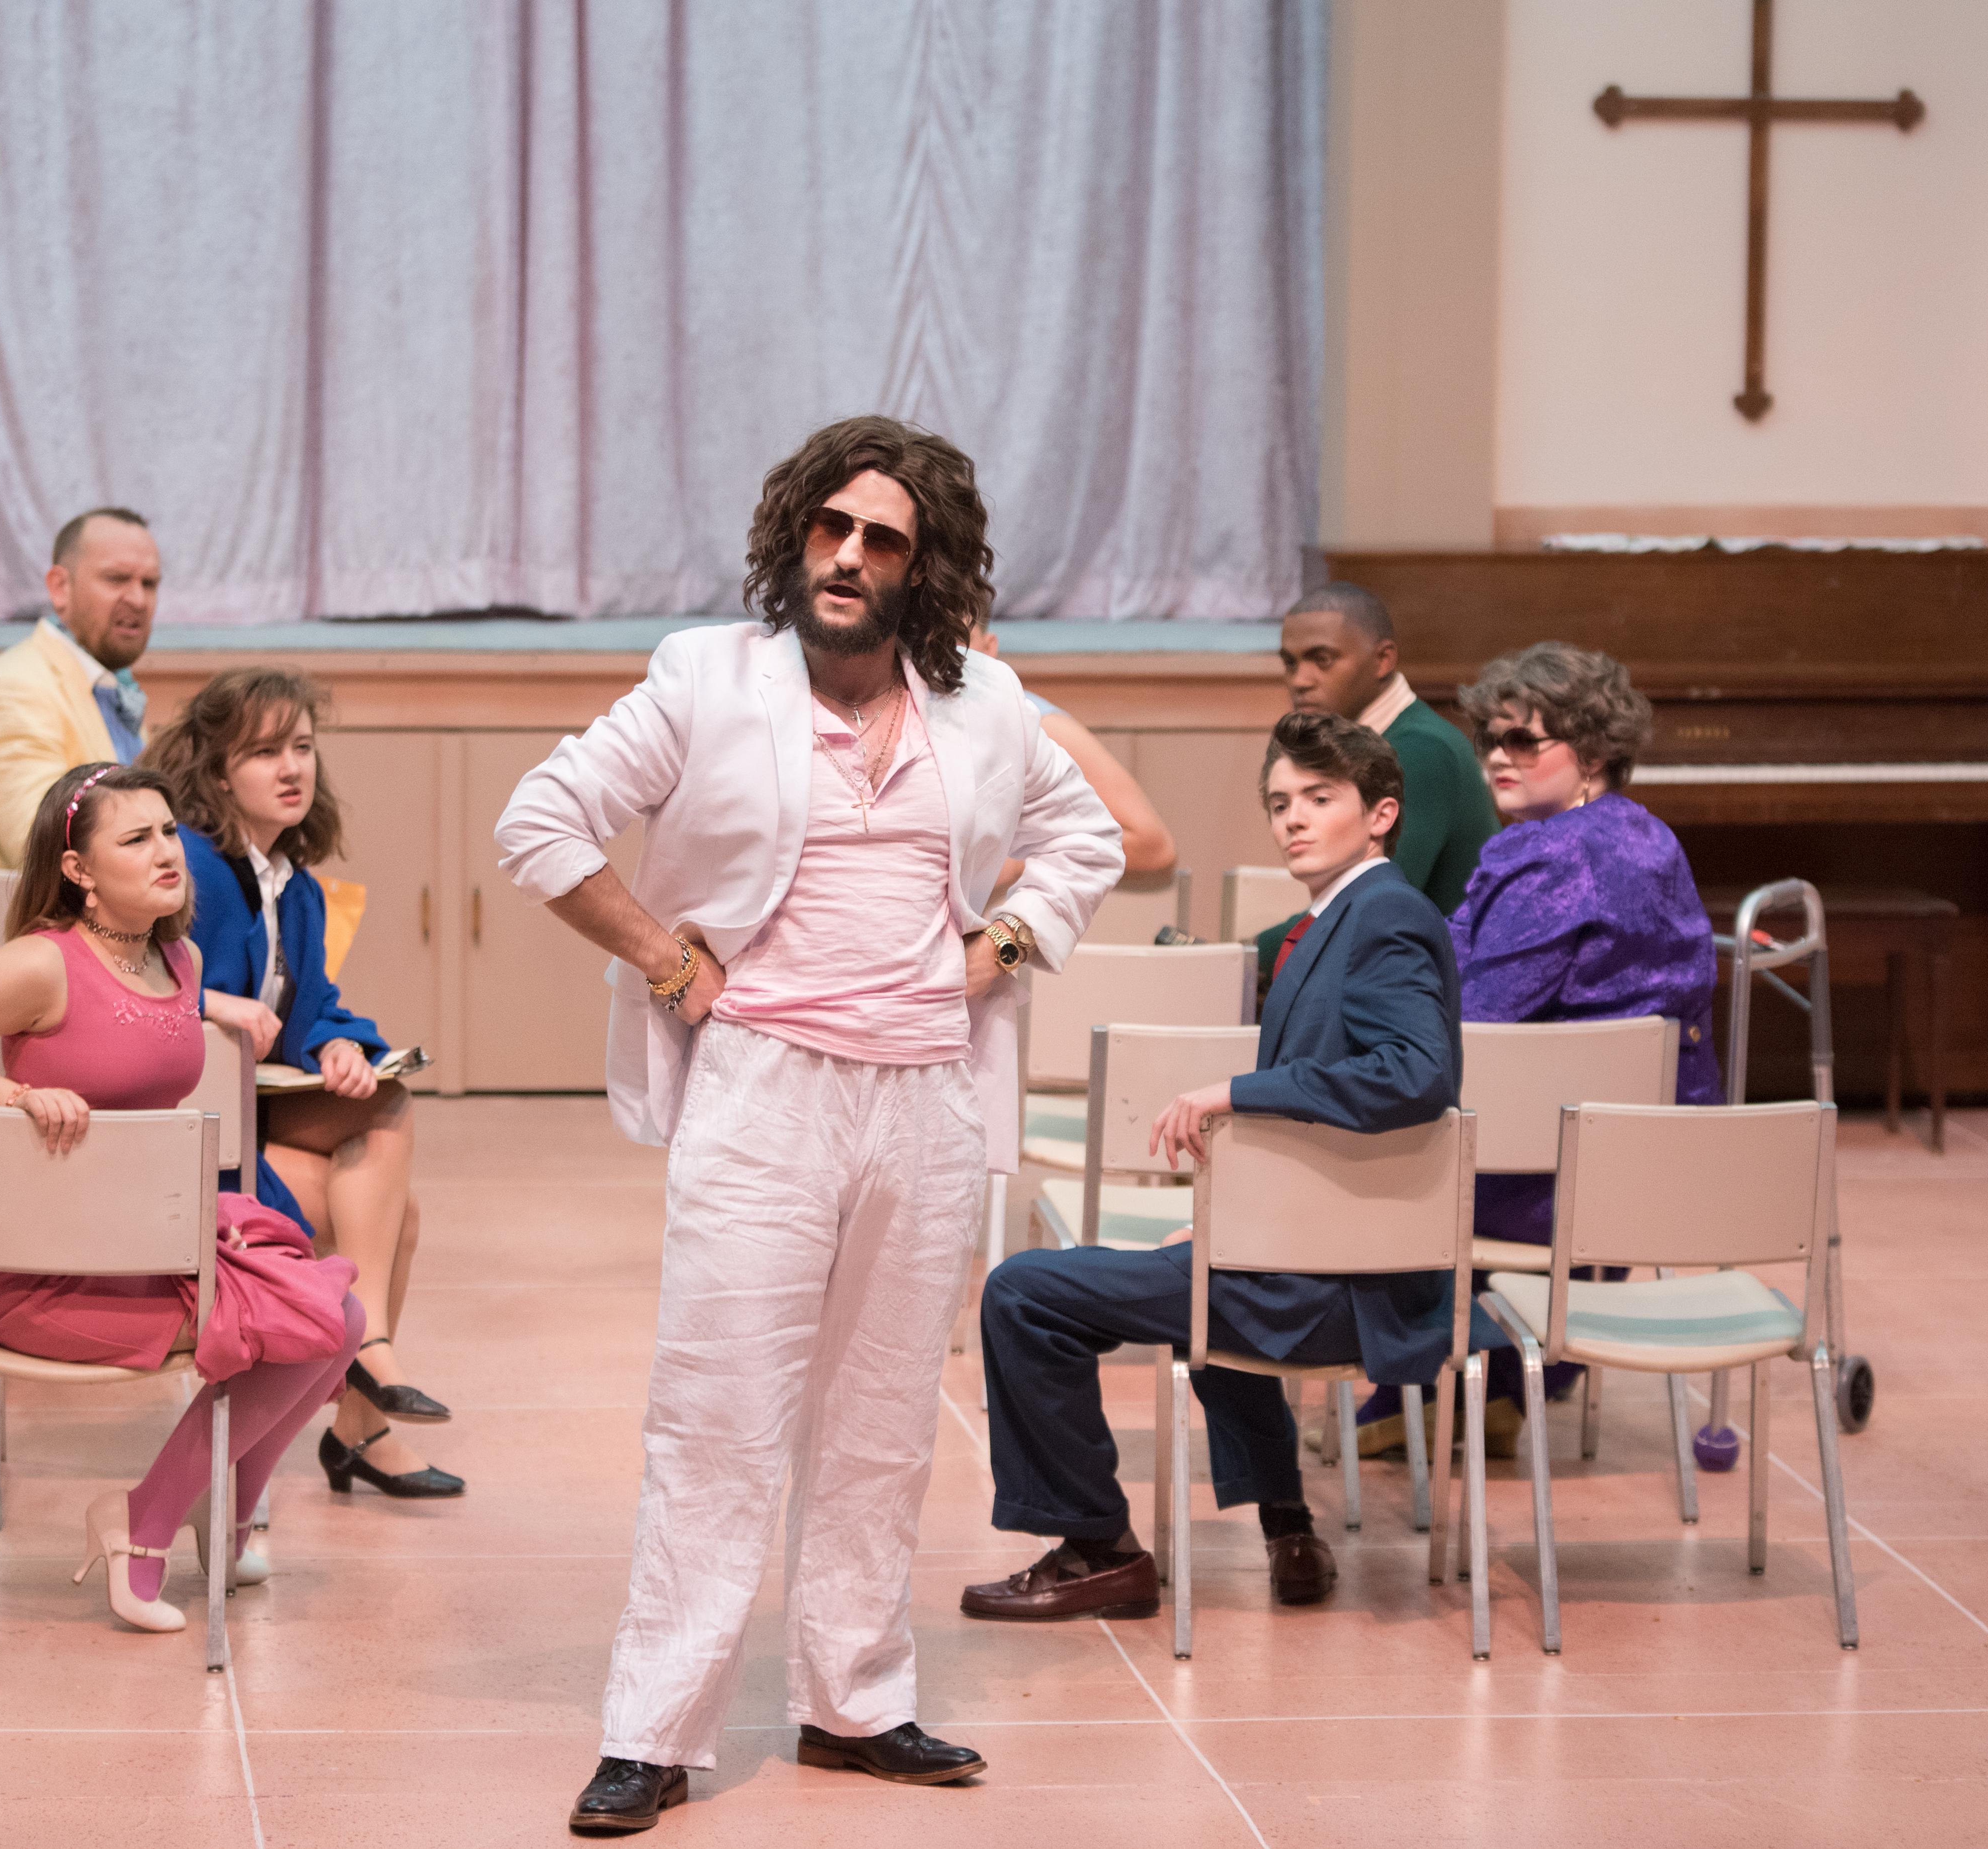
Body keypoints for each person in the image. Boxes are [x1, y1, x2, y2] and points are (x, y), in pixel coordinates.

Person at [494, 415, 1121, 1833]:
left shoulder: (990, 706)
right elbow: (541, 824)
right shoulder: (706, 677)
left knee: (886, 1417)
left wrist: (1006, 943)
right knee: (719, 1414)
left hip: (928, 1098)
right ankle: (655, 1730)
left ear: (926, 566)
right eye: (830, 528)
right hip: (764, 1085)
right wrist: (669, 959)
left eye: (882, 538)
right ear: (795, 536)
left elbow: (1090, 841)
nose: (847, 556)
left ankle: (858, 1699)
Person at [959, 710, 1472, 1624]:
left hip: (1333, 1286)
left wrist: (1234, 1090)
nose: (1295, 820)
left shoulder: (1385, 914)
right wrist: (1237, 1211)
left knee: (1023, 1292)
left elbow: (1413, 1073)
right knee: (1202, 1270)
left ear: (1382, 814)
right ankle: (1287, 1530)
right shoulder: (1340, 919)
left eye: (1321, 798)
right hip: (1306, 1259)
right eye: (1280, 803)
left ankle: (1096, 1547)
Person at [0, 762, 364, 1635]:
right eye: (135, 839)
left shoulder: (182, 956)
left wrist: (224, 1007)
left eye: (170, 831)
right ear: (79, 871)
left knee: (342, 1319)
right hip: (46, 1269)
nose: (167, 851)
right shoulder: (37, 965)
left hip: (152, 1243)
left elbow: (142, 1014)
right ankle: (142, 1523)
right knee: (291, 1331)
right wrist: (13, 1098)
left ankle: (224, 1509)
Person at [1356, 640, 1718, 1454]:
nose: (1497, 758)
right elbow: (1463, 951)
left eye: (1526, 741)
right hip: (1648, 1162)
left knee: (1366, 1136)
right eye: (1492, 738)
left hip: (1547, 1178)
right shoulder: (1644, 837)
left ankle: (1426, 1382)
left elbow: (1480, 1010)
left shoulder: (1555, 856)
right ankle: (1509, 1379)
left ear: (1593, 751)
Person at [146, 665, 462, 1502]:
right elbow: (139, 975)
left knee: (383, 1106)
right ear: (218, 774)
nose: (291, 769)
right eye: (262, 752)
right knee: (394, 1210)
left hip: (257, 1109)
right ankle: (368, 1390)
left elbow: (310, 1004)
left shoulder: (298, 886)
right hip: (189, 1136)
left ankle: (364, 1418)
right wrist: (213, 1000)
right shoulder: (200, 871)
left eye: (302, 748)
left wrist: (340, 1047)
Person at [0, 507, 163, 972]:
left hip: (88, 978)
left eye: (150, 583)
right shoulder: (14, 687)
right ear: (60, 587)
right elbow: (50, 848)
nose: (137, 599)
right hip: (4, 999)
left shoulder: (115, 693)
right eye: (117, 578)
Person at [1254, 581, 1495, 983]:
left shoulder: (1420, 749)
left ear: (1383, 660)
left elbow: (1366, 908)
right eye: (1291, 663)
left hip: (1446, 998)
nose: (1300, 680)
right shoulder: (1377, 745)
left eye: (1322, 660)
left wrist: (1243, 953)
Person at [969, 624, 1177, 882]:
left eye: (954, 641)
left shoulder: (1037, 723)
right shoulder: (914, 718)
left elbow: (1150, 846)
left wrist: (1011, 865)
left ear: (989, 648)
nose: (933, 655)